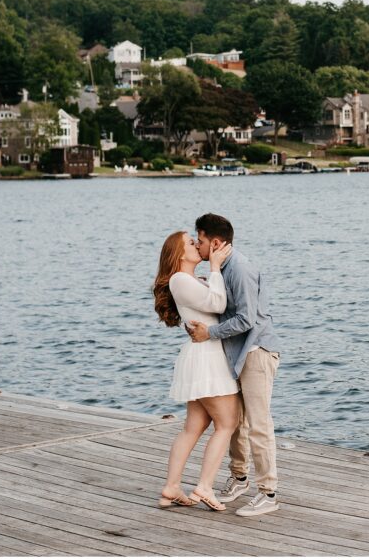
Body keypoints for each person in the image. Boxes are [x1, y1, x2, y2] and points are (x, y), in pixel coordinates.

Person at [186, 213, 282, 517]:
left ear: (215, 242)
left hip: (255, 352)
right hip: (235, 354)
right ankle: (239, 478)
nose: (197, 245)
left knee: (258, 424)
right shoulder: (223, 268)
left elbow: (246, 320)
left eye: (199, 240)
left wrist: (208, 333)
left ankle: (268, 492)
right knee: (235, 421)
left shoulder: (238, 268)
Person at [152, 230, 240, 512]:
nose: (196, 245)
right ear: (179, 254)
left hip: (204, 357)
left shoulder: (191, 280)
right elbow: (218, 304)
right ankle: (204, 486)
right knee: (227, 423)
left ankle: (171, 488)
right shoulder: (180, 280)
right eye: (191, 243)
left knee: (194, 427)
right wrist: (215, 267)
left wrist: (211, 274)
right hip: (207, 359)